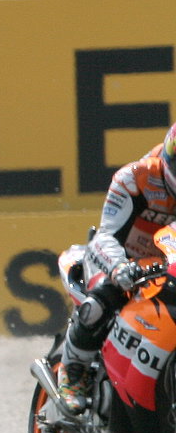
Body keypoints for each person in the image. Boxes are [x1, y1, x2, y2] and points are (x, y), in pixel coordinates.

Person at [56, 124, 176, 413]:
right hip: (124, 261)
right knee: (103, 299)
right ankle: (73, 373)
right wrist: (118, 266)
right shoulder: (136, 179)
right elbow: (107, 235)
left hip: (169, 266)